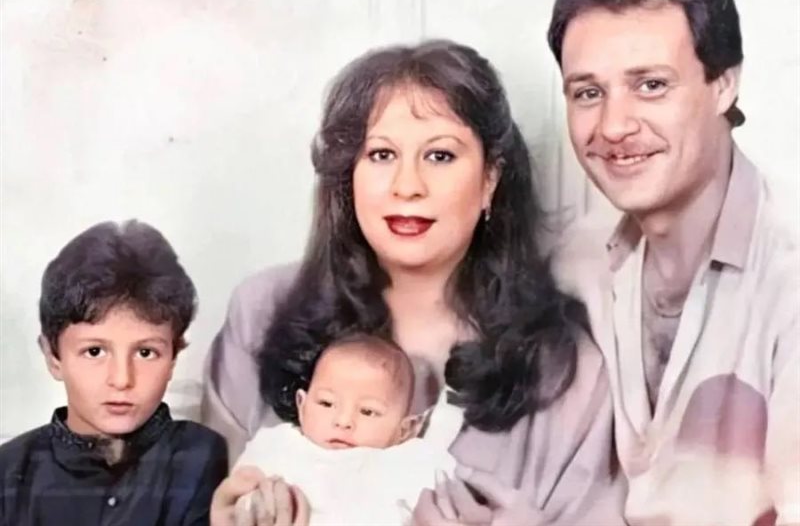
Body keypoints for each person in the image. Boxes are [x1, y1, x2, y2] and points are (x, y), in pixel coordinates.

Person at [203, 40, 623, 526]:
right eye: (381, 154)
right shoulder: (261, 312)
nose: (407, 186)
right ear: (348, 176)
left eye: (440, 156)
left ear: (490, 178)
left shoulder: (568, 371)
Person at [545, 0, 800, 526]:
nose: (613, 126)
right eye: (588, 92)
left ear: (724, 84)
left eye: (651, 85)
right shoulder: (573, 263)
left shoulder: (790, 276)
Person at [0, 220, 229, 526]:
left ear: (173, 357)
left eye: (146, 353)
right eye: (95, 351)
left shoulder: (200, 456)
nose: (122, 379)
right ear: (53, 356)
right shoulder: (9, 472)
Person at [233, 334, 462, 526]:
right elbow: (239, 496)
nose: (343, 421)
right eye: (326, 403)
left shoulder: (408, 460)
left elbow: (445, 497)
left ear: (405, 429)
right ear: (302, 405)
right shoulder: (279, 445)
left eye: (367, 411)